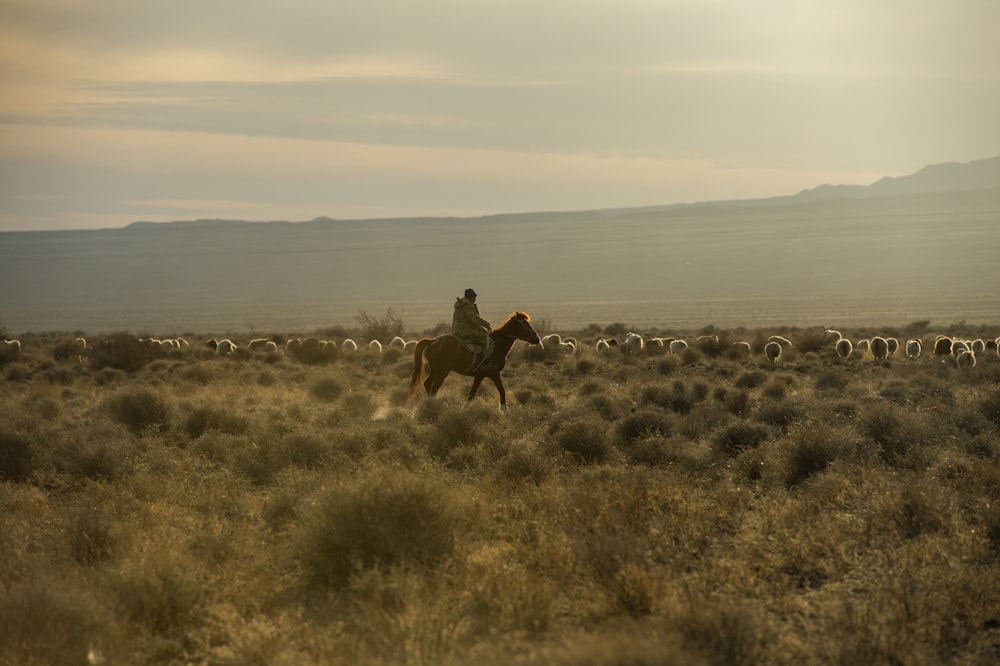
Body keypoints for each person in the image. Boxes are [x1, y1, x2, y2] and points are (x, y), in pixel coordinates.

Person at [452, 288, 494, 372]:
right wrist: (486, 324)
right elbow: (474, 319)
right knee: (489, 342)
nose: (475, 299)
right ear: (471, 298)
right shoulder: (468, 305)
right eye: (474, 297)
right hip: (467, 331)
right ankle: (485, 364)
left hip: (456, 331)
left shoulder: (460, 305)